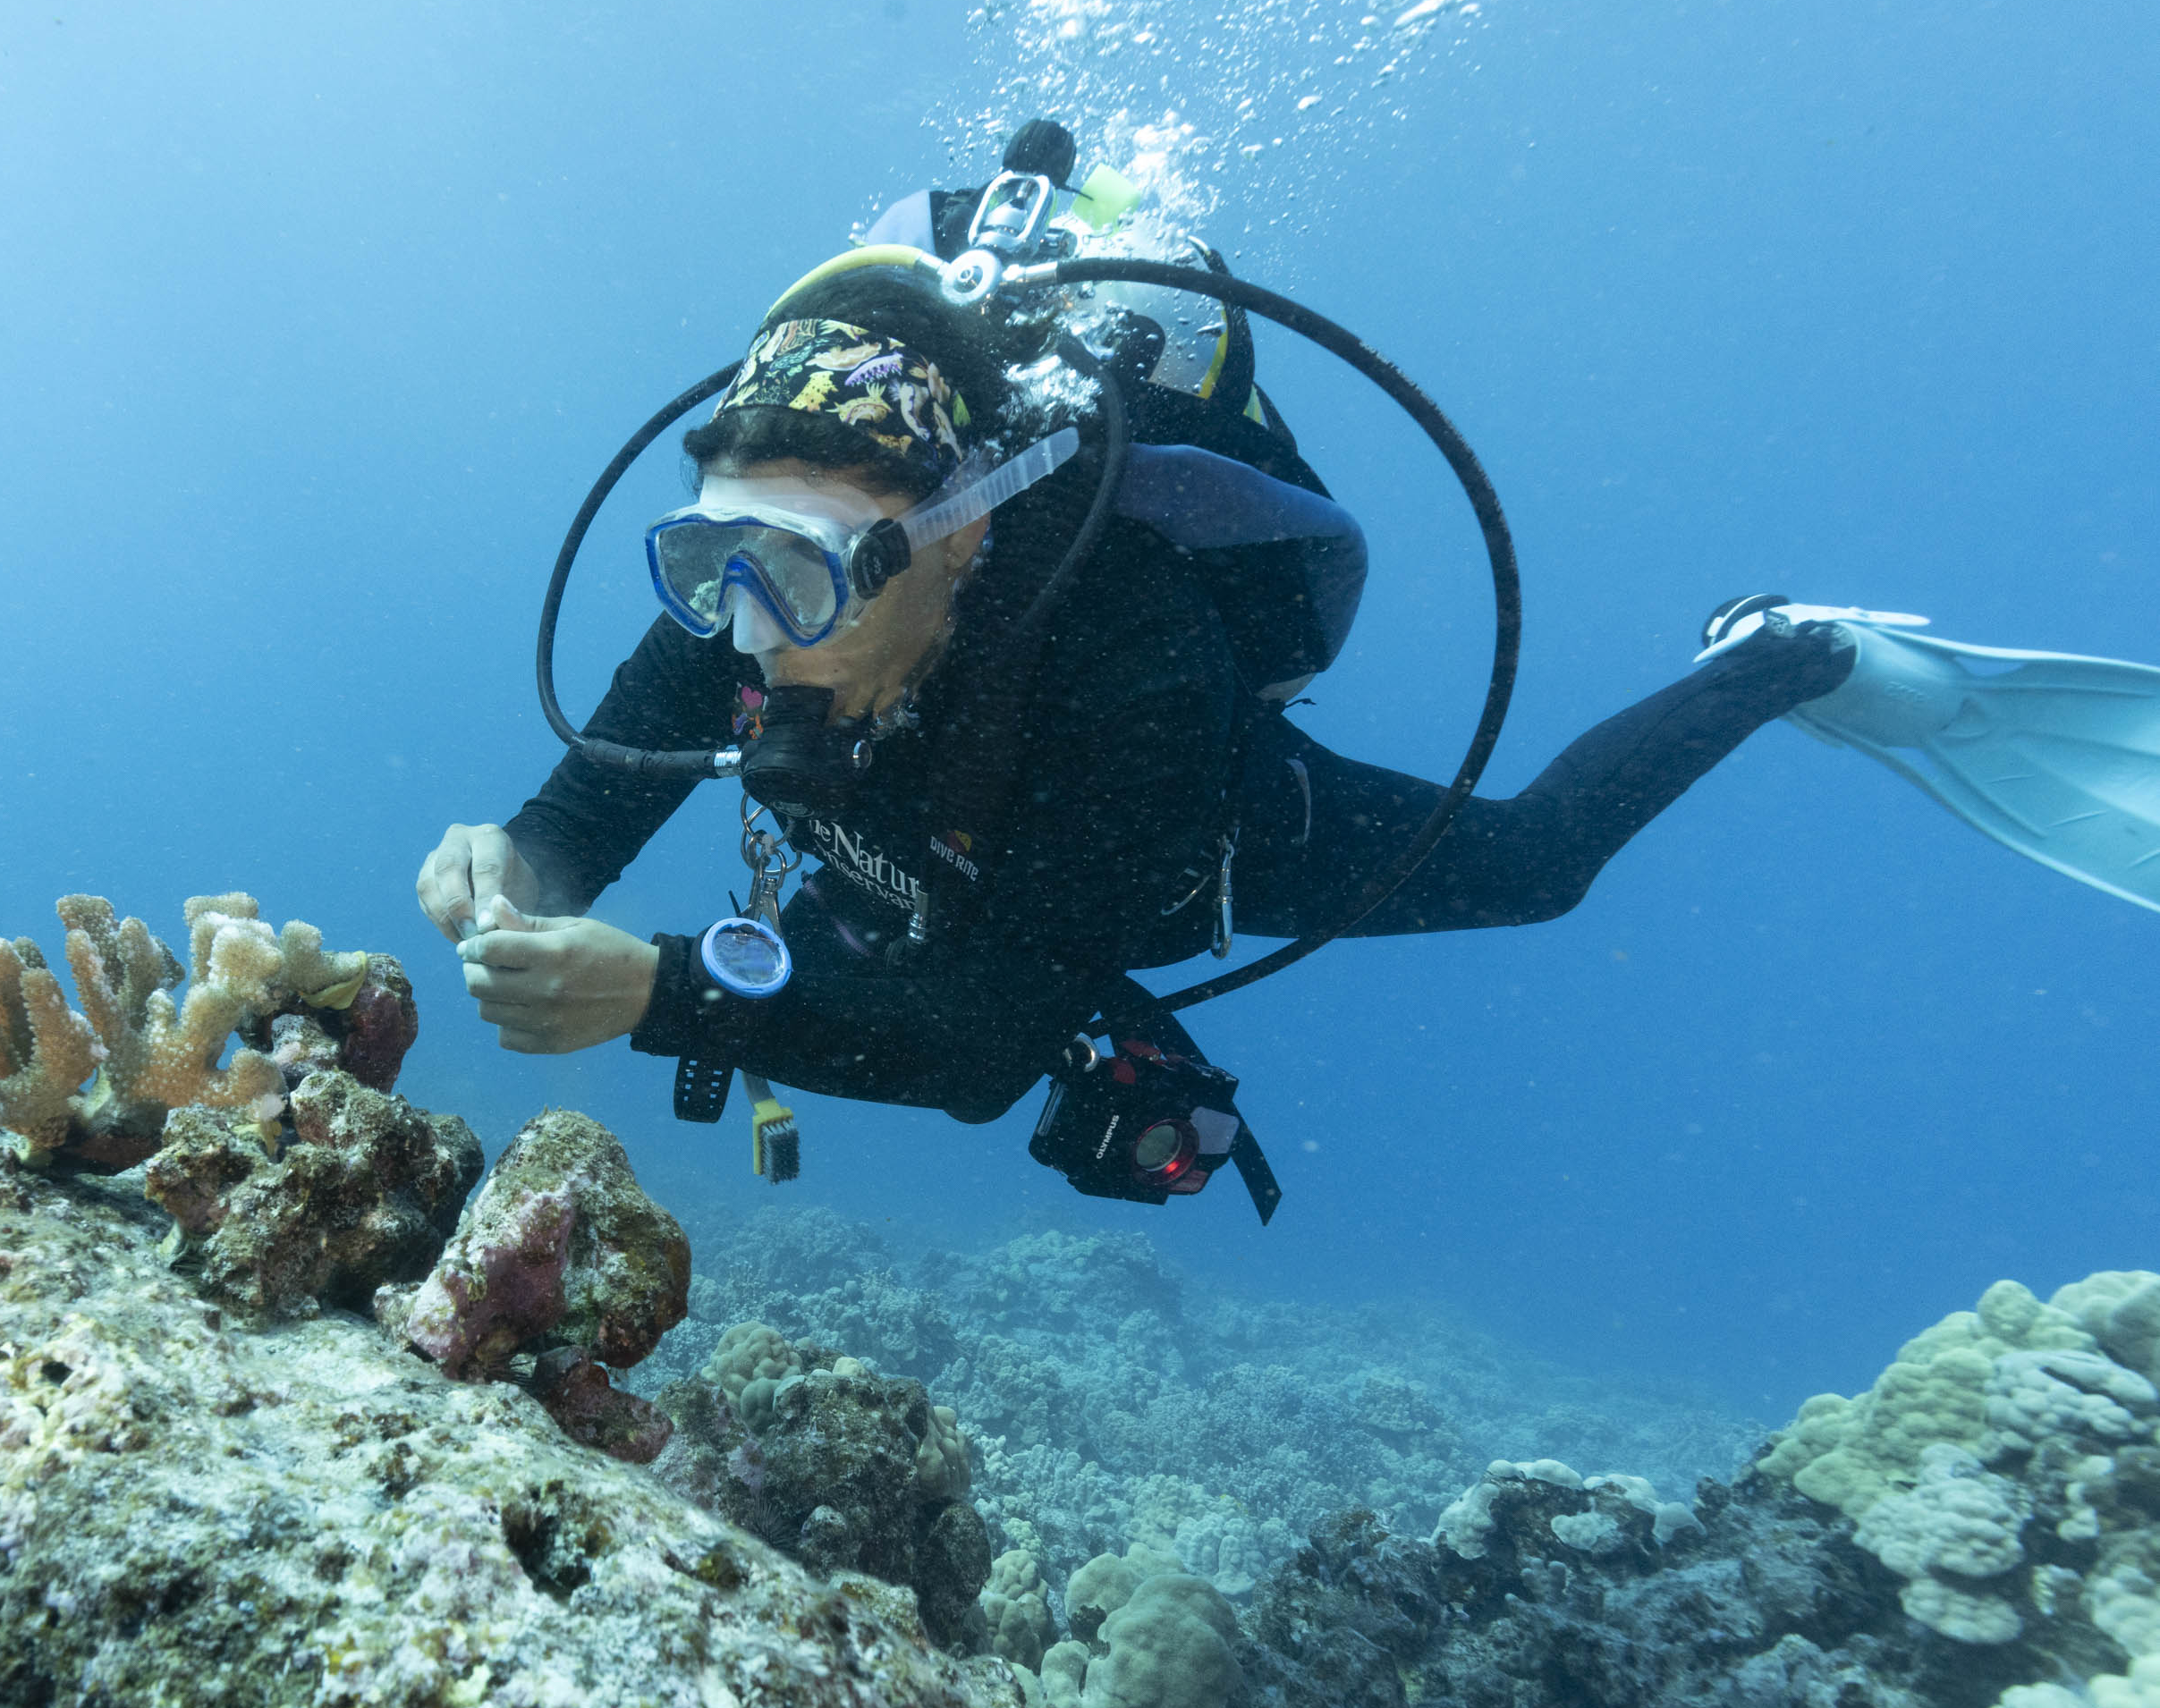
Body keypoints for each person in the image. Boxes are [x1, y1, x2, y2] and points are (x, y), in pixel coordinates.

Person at [411, 213, 1857, 1137]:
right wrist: (523, 866)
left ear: (958, 536)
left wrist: (662, 998)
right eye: (707, 554)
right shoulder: (742, 593)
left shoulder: (1131, 668)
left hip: (1192, 842)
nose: (747, 619)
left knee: (1540, 864)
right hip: (937, 886)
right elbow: (576, 823)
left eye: (806, 565)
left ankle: (1776, 656)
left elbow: (989, 1043)